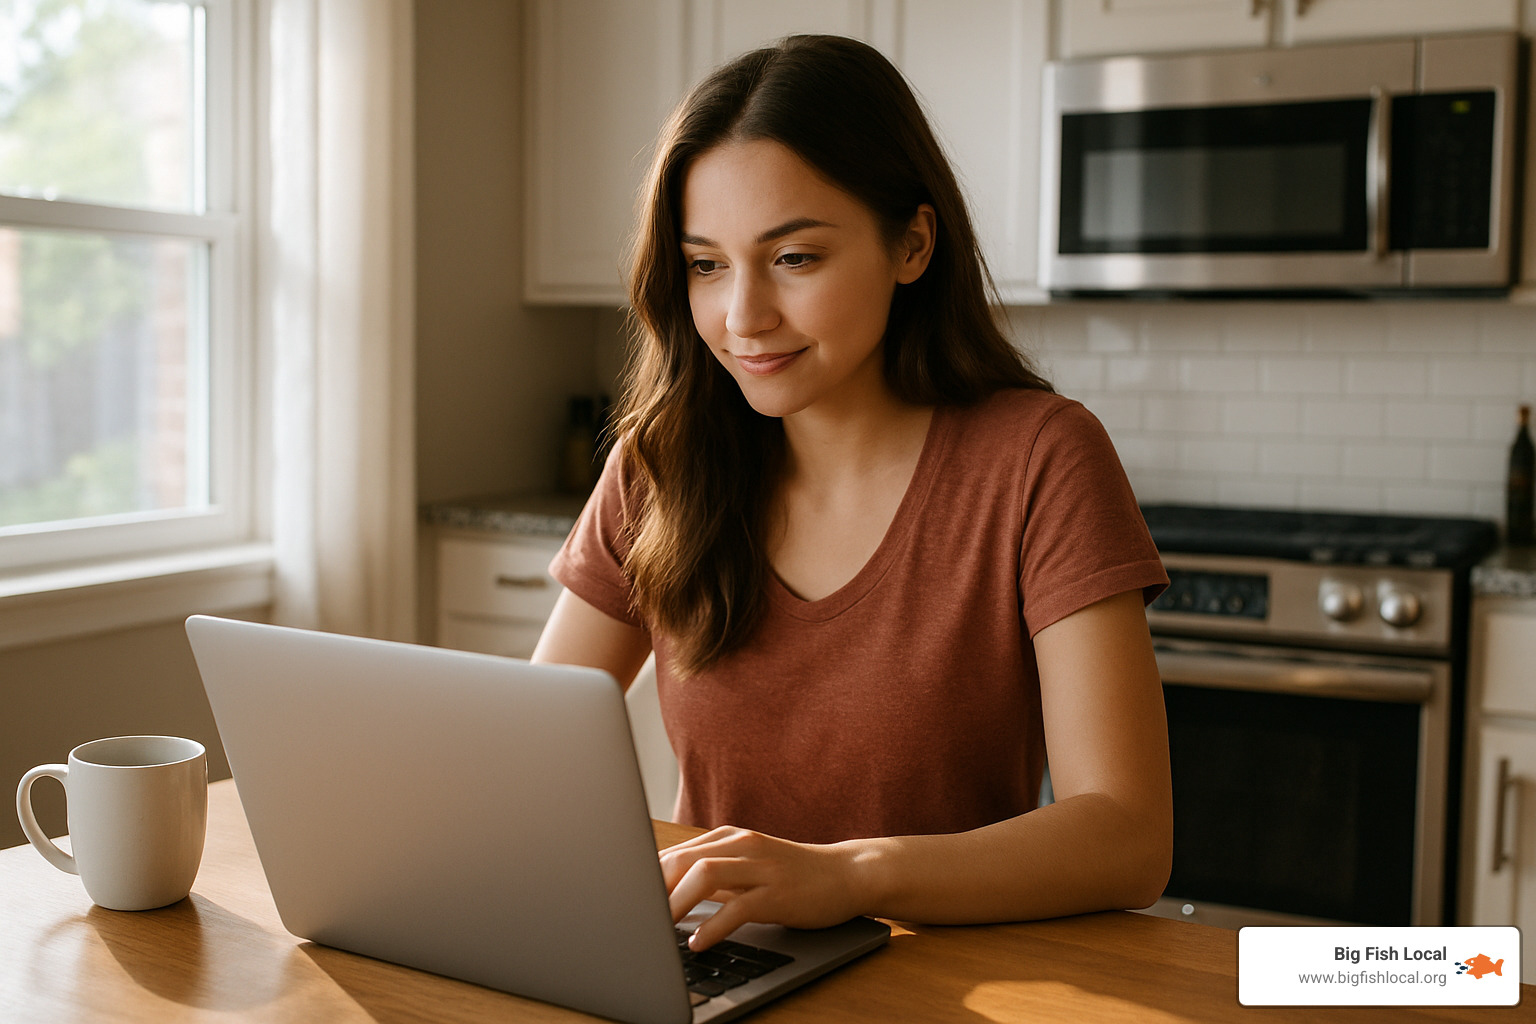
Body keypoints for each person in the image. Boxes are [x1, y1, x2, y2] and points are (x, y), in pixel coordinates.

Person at [533, 33, 1171, 952]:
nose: (742, 316)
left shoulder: (1039, 458)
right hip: (715, 963)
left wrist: (847, 876)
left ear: (911, 244)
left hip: (947, 979)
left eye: (793, 258)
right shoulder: (662, 462)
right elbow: (527, 752)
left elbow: (1128, 837)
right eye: (706, 264)